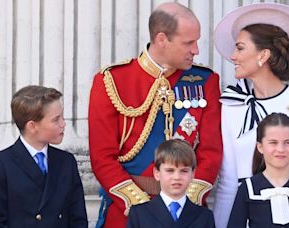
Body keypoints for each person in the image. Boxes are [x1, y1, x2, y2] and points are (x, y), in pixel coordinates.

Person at [88, 2, 222, 228]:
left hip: (185, 214)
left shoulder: (205, 81)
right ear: (162, 39)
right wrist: (142, 206)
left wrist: (182, 203)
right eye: (189, 42)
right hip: (129, 212)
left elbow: (211, 152)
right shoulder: (111, 81)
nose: (196, 50)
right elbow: (102, 158)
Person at [212, 3, 289, 228]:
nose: (233, 56)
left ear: (263, 54)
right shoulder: (231, 106)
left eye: (240, 48)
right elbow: (227, 183)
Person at [0, 85, 88, 227]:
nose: (63, 124)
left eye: (62, 117)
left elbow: (78, 219)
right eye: (56, 119)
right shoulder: (0, 164)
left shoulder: (66, 162)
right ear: (32, 126)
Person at [227, 113, 289, 227]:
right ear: (260, 147)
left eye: (287, 142)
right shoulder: (248, 188)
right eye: (273, 143)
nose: (281, 149)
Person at [126, 139, 215, 228]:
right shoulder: (139, 214)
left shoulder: (205, 216)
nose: (177, 177)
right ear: (157, 173)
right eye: (170, 170)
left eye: (184, 171)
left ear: (192, 174)